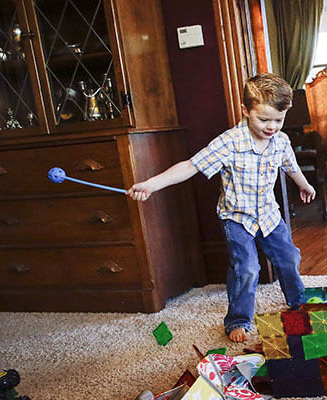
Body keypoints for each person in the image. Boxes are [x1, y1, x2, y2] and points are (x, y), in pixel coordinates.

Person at [127, 73, 316, 343]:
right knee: (247, 268)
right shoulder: (229, 143)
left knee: (289, 259)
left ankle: (298, 304)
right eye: (264, 119)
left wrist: (304, 184)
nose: (272, 126)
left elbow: (289, 164)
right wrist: (152, 184)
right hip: (237, 219)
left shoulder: (281, 141)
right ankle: (238, 319)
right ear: (245, 111)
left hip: (269, 215)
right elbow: (191, 165)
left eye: (278, 119)